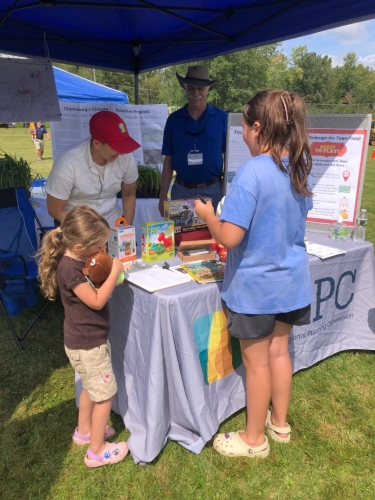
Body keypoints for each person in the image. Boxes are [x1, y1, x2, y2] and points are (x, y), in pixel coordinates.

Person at [195, 90, 313, 459]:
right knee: (280, 354)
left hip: (257, 289)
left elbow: (230, 237)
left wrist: (208, 216)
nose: (242, 134)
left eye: (244, 126)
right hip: (291, 284)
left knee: (257, 362)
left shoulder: (253, 171)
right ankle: (280, 423)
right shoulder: (295, 166)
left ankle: (253, 438)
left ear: (257, 127)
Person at [38, 205, 129, 468]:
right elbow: (98, 301)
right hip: (89, 344)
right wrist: (114, 271)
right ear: (79, 245)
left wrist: (108, 275)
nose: (102, 251)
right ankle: (97, 451)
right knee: (104, 395)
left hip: (82, 340)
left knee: (90, 386)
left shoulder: (76, 261)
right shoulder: (70, 270)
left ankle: (84, 430)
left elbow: (92, 291)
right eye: (98, 246)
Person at [45, 111, 140, 227]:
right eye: (116, 147)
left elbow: (129, 194)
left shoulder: (125, 157)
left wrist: (126, 228)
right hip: (77, 229)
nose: (120, 152)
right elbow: (55, 210)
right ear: (97, 144)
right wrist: (91, 232)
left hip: (113, 222)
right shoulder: (68, 162)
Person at [158, 66, 227, 216]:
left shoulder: (221, 118)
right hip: (181, 191)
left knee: (214, 238)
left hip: (213, 192)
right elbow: (168, 160)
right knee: (181, 238)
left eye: (200, 89)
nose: (196, 93)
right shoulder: (174, 120)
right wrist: (163, 195)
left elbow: (230, 155)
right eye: (191, 88)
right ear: (185, 88)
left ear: (208, 90)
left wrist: (224, 186)